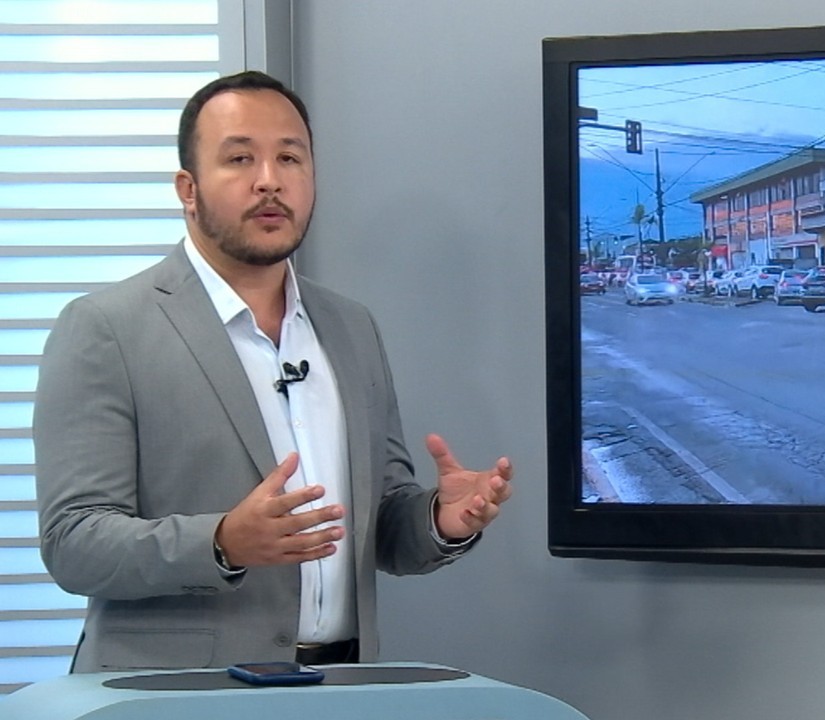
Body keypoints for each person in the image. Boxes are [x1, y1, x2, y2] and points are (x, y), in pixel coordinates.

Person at [33, 70, 513, 672]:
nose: (269, 181)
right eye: (240, 158)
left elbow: (382, 527)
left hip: (341, 686)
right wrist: (222, 542)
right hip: (172, 696)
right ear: (188, 188)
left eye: (290, 157)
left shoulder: (350, 327)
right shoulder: (105, 328)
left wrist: (439, 520)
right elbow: (73, 544)